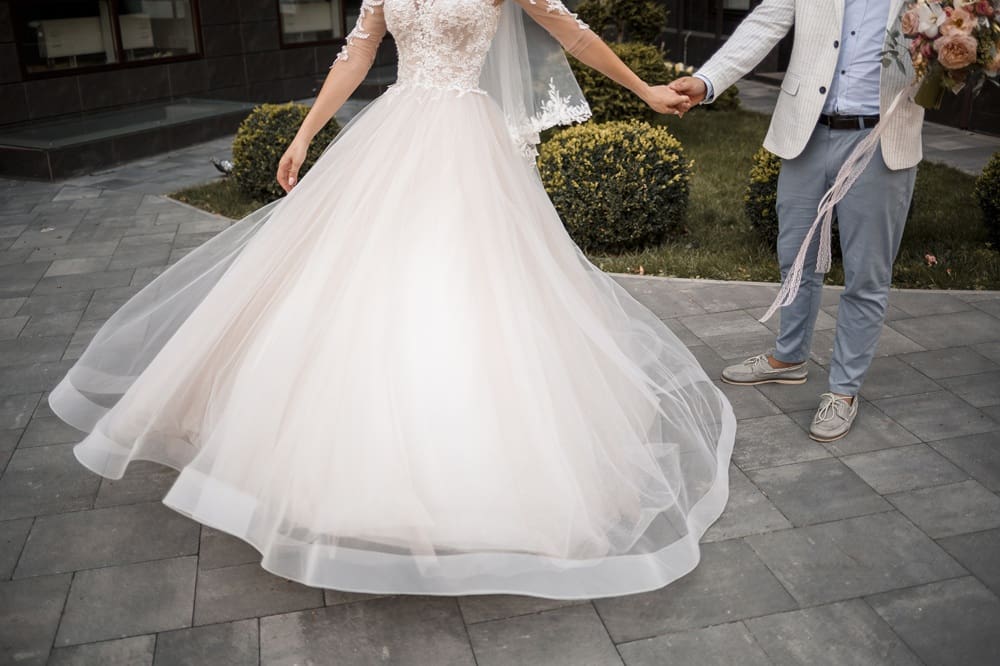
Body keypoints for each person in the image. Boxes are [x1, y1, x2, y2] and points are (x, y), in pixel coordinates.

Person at [47, 0, 736, 599]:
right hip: (394, 133)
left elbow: (571, 33)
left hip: (464, 146)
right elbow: (358, 53)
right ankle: (334, 469)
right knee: (358, 281)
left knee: (464, 281)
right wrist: (306, 131)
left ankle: (467, 479)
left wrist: (645, 90)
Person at [670, 0, 922, 442]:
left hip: (881, 139)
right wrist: (708, 81)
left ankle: (843, 391)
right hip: (807, 130)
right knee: (794, 258)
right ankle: (789, 359)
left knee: (867, 275)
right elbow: (764, 24)